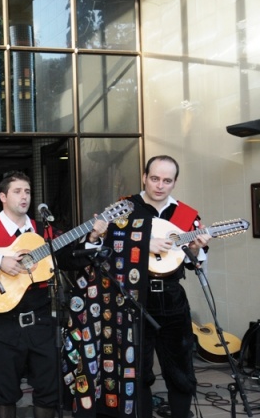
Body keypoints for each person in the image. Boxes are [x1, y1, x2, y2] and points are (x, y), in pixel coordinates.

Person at [61, 155, 210, 418]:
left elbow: (196, 264)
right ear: (144, 177)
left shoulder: (187, 215)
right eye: (154, 178)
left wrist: (196, 251)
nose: (160, 185)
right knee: (135, 369)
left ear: (175, 182)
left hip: (172, 297)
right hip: (132, 299)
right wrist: (142, 245)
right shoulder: (125, 208)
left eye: (167, 180)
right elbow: (107, 250)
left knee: (180, 368)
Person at [0, 171, 108, 418]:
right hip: (1, 323)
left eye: (27, 191)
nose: (24, 196)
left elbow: (69, 258)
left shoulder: (42, 231)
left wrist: (92, 237)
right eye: (17, 191)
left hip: (41, 321)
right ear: (3, 196)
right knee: (5, 391)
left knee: (48, 388)